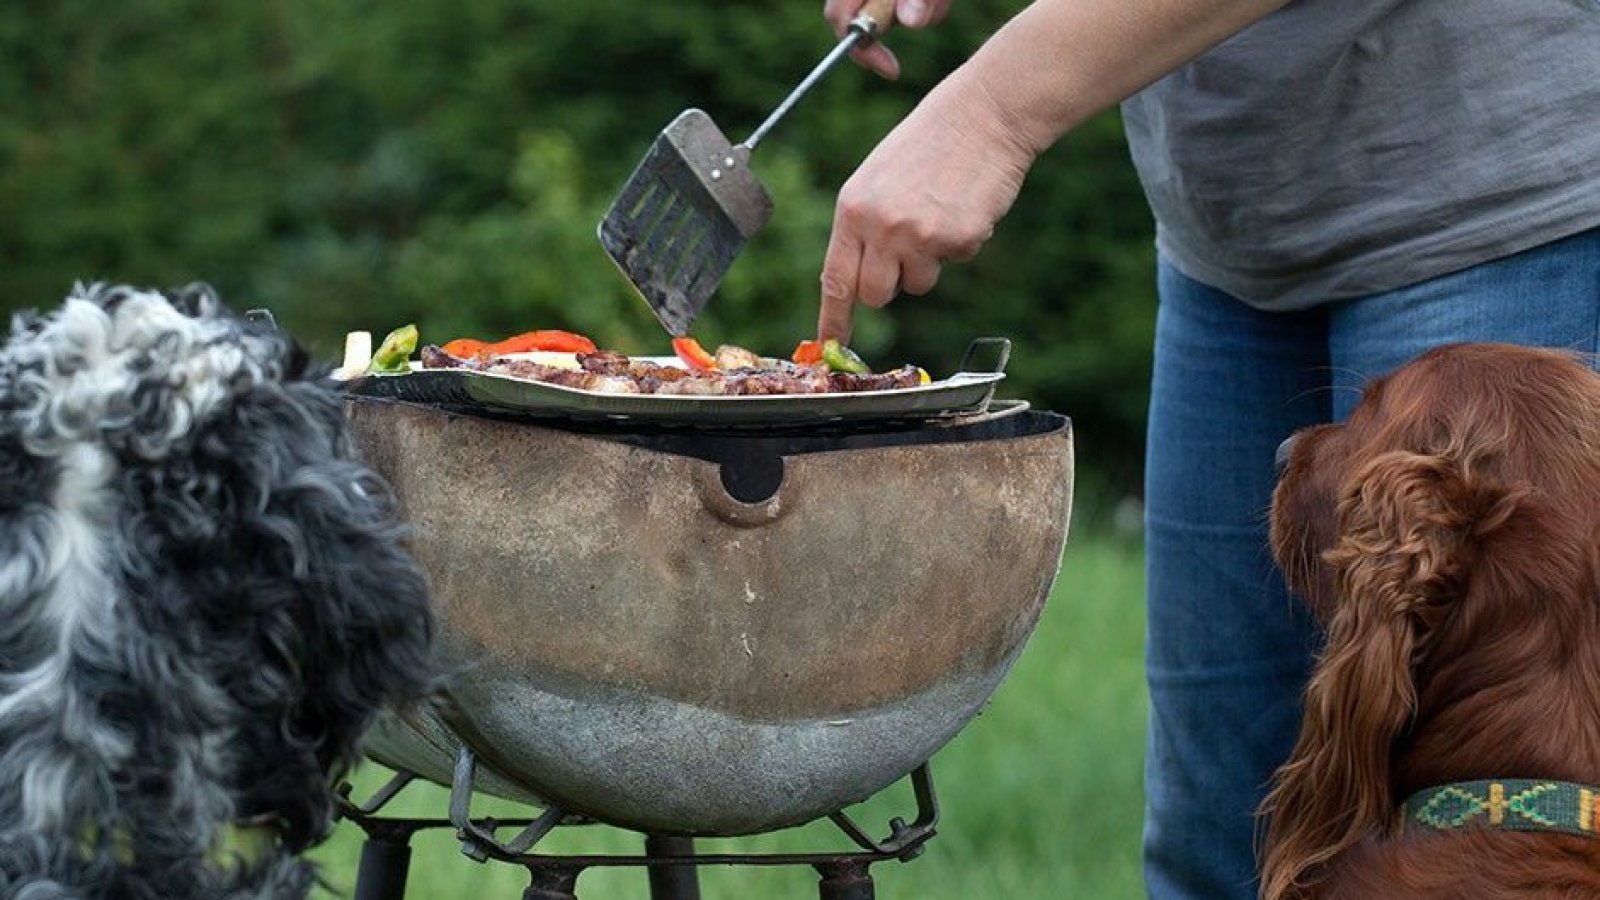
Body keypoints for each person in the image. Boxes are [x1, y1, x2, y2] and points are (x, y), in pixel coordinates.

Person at [816, 1, 1600, 897]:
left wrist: (991, 110)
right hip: (1231, 236)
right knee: (1212, 852)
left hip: (1490, 195)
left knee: (1514, 849)